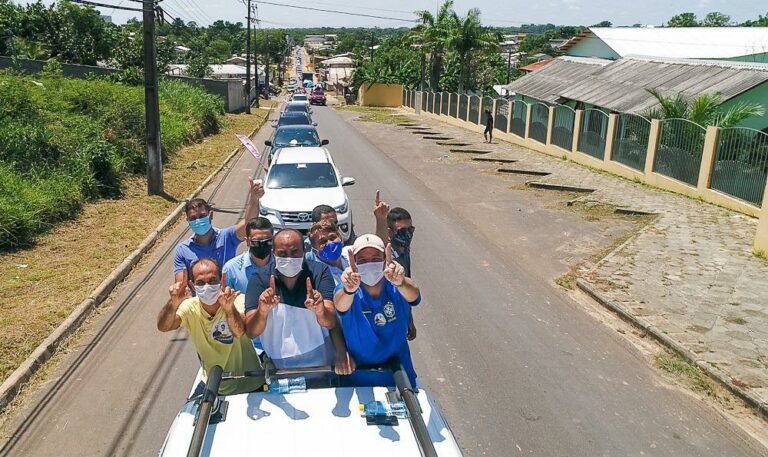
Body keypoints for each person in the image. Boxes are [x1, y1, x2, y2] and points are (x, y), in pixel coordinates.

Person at [244, 229, 354, 374]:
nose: (289, 257)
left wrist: (320, 311)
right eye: (282, 253)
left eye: (295, 252)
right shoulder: (259, 278)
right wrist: (262, 311)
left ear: (304, 251)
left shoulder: (320, 271)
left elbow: (331, 322)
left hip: (322, 365)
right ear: (273, 252)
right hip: (279, 369)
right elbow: (251, 332)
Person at [157, 258, 264, 395]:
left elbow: (239, 332)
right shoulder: (190, 307)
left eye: (213, 281)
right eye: (200, 283)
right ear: (192, 285)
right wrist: (173, 303)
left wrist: (229, 309)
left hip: (250, 383)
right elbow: (164, 327)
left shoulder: (237, 300)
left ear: (221, 280)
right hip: (213, 385)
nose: (207, 286)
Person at [333, 234, 421, 387]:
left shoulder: (396, 285)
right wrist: (349, 290)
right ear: (354, 262)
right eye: (362, 260)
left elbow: (414, 295)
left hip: (399, 379)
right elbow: (340, 305)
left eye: (375, 259)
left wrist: (401, 283)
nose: (369, 264)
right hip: (358, 379)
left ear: (384, 260)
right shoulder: (348, 288)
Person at [173, 178, 264, 283]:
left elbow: (249, 224)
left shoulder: (227, 237)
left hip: (227, 296)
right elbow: (181, 284)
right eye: (193, 218)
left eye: (202, 216)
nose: (198, 221)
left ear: (210, 215)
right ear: (188, 221)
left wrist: (254, 199)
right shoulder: (182, 250)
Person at [374, 191, 418, 340]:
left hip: (401, 319)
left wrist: (409, 320)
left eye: (410, 230)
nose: (408, 235)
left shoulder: (404, 250)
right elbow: (380, 245)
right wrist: (380, 219)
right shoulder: (386, 255)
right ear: (390, 233)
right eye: (402, 231)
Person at [308, 219, 347, 285]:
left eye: (332, 238)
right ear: (315, 251)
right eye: (323, 241)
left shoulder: (352, 257)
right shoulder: (317, 276)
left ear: (340, 237)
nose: (330, 243)